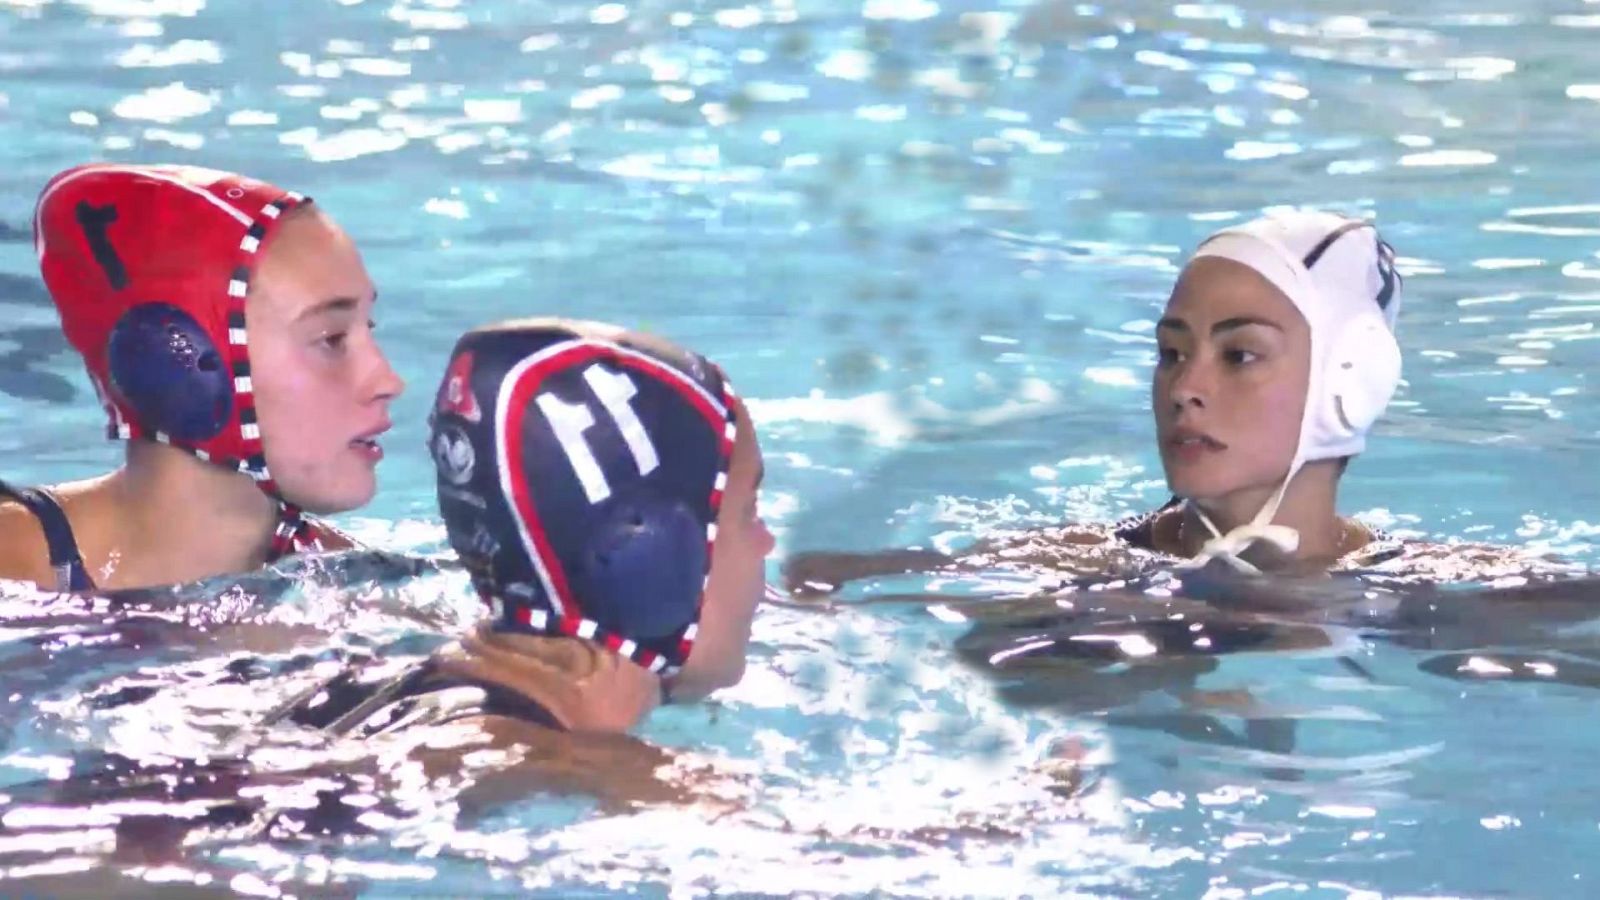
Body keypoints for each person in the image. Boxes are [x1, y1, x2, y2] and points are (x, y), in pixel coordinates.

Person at [269, 318, 775, 743]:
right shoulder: (548, 765)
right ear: (644, 551)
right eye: (747, 512)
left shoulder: (366, 688)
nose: (766, 542)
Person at [0, 163, 404, 592]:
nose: (388, 381)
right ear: (177, 363)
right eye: (332, 339)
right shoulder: (14, 570)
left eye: (369, 328)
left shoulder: (366, 594)